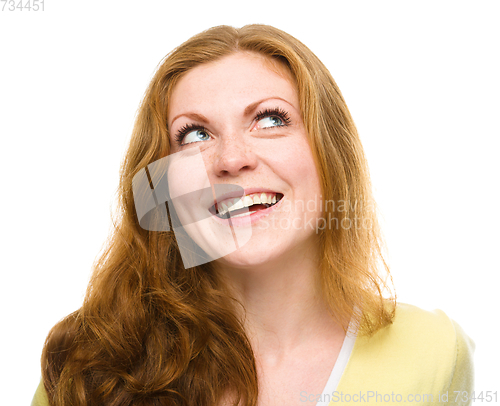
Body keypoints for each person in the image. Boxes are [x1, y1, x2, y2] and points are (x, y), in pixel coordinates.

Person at [32, 24, 474, 406]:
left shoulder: (434, 350)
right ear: (164, 185)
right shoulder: (88, 357)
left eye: (269, 119)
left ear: (329, 152)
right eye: (195, 134)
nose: (232, 158)